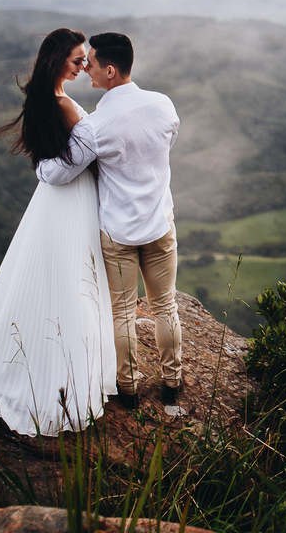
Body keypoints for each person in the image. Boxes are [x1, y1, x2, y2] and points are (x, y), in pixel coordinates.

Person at [0, 28, 117, 436]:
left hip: (59, 201)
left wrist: (51, 169)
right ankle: (57, 377)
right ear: (58, 59)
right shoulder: (60, 102)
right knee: (69, 276)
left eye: (85, 60)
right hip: (69, 200)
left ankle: (45, 361)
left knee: (56, 272)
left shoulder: (48, 99)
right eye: (77, 59)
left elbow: (51, 161)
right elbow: (70, 162)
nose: (83, 66)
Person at [35, 32, 182, 410]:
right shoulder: (163, 105)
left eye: (93, 64)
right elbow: (167, 142)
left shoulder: (95, 126)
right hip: (160, 223)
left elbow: (60, 174)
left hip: (118, 232)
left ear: (111, 71)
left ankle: (129, 386)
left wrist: (40, 166)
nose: (87, 70)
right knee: (165, 306)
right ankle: (172, 381)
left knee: (123, 312)